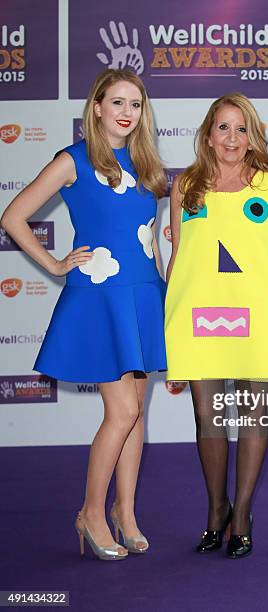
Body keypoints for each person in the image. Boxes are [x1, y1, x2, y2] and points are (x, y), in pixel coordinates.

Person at [1, 68, 167, 561]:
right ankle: (90, 513)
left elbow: (148, 239)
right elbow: (13, 215)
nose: (125, 112)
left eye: (134, 104)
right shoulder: (73, 160)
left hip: (141, 296)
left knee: (138, 414)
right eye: (116, 102)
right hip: (100, 298)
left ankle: (126, 512)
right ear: (96, 108)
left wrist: (163, 287)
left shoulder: (145, 164)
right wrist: (53, 263)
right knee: (123, 411)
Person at [165, 93, 268, 558]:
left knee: (254, 416)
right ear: (208, 134)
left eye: (241, 129)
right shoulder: (186, 186)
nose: (232, 138)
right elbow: (180, 259)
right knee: (209, 418)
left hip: (260, 317)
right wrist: (171, 325)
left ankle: (242, 513)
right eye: (223, 128)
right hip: (199, 319)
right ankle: (215, 509)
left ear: (252, 135)